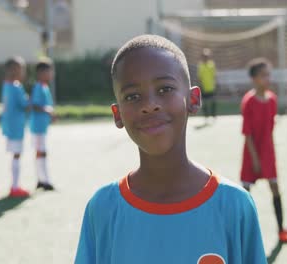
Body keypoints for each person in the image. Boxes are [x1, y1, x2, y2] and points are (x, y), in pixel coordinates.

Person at [75, 35, 266, 264]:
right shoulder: (103, 209)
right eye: (133, 96)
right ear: (118, 115)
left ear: (193, 99)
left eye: (165, 89)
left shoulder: (235, 206)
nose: (149, 105)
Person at [240, 58, 287, 243]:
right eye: (263, 75)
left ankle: (281, 230)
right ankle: (240, 234)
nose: (268, 78)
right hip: (251, 153)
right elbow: (247, 134)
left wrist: (268, 154)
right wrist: (255, 159)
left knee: (275, 188)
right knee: (244, 193)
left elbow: (270, 127)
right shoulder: (248, 101)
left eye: (269, 74)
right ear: (254, 79)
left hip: (268, 152)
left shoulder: (272, 99)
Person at [1, 57, 31, 197]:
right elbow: (24, 105)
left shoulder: (6, 85)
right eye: (21, 69)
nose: (22, 72)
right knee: (17, 156)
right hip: (16, 127)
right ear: (13, 70)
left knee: (15, 155)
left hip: (10, 127)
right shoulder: (16, 86)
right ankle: (15, 186)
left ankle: (14, 185)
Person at [30, 59, 56, 191]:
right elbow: (34, 105)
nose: (51, 74)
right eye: (48, 71)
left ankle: (41, 179)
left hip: (42, 127)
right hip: (37, 127)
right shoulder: (38, 87)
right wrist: (48, 111)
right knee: (41, 152)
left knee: (41, 152)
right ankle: (44, 180)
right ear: (40, 73)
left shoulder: (44, 87)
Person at [197, 48, 217, 122]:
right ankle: (206, 116)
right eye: (204, 56)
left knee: (213, 102)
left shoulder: (212, 64)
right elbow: (199, 77)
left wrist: (215, 84)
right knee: (204, 102)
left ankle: (214, 115)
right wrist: (200, 85)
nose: (206, 57)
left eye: (207, 56)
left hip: (211, 87)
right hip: (203, 87)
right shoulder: (200, 65)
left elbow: (214, 75)